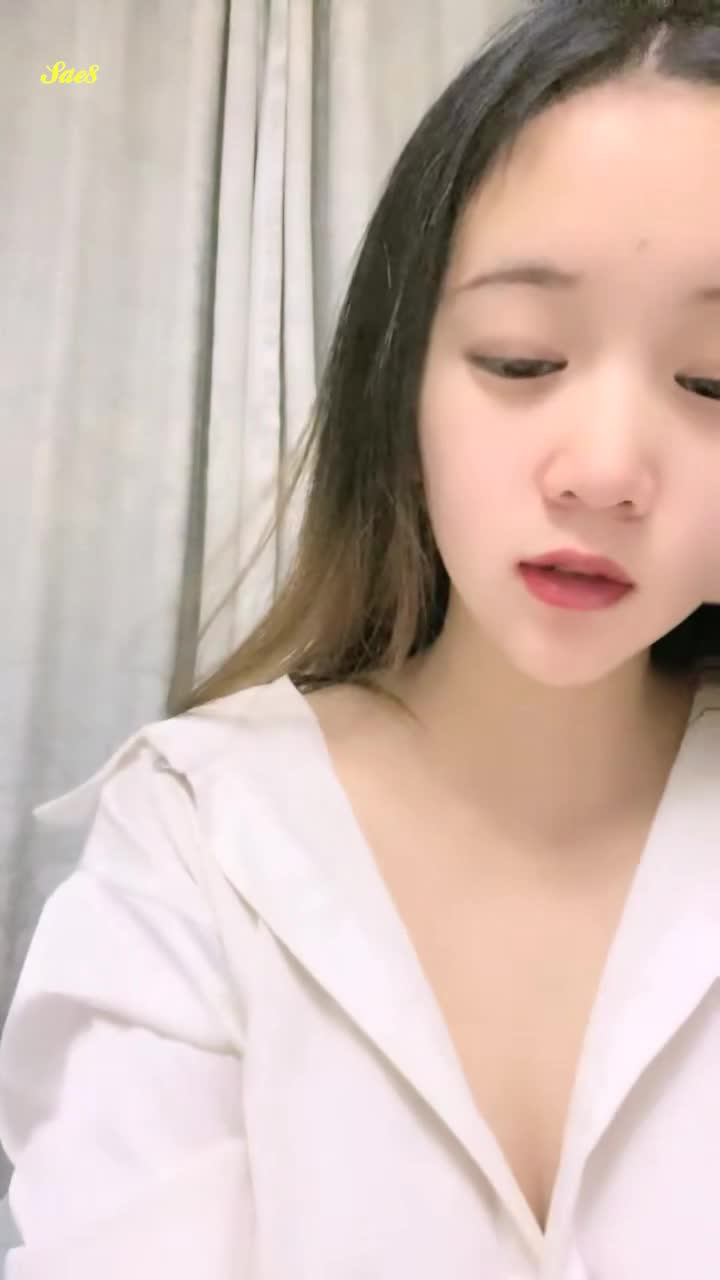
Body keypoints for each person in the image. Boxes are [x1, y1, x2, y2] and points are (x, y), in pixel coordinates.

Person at [3, 0, 720, 1274]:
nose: (606, 470)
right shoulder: (198, 843)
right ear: (401, 378)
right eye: (521, 359)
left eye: (714, 381)